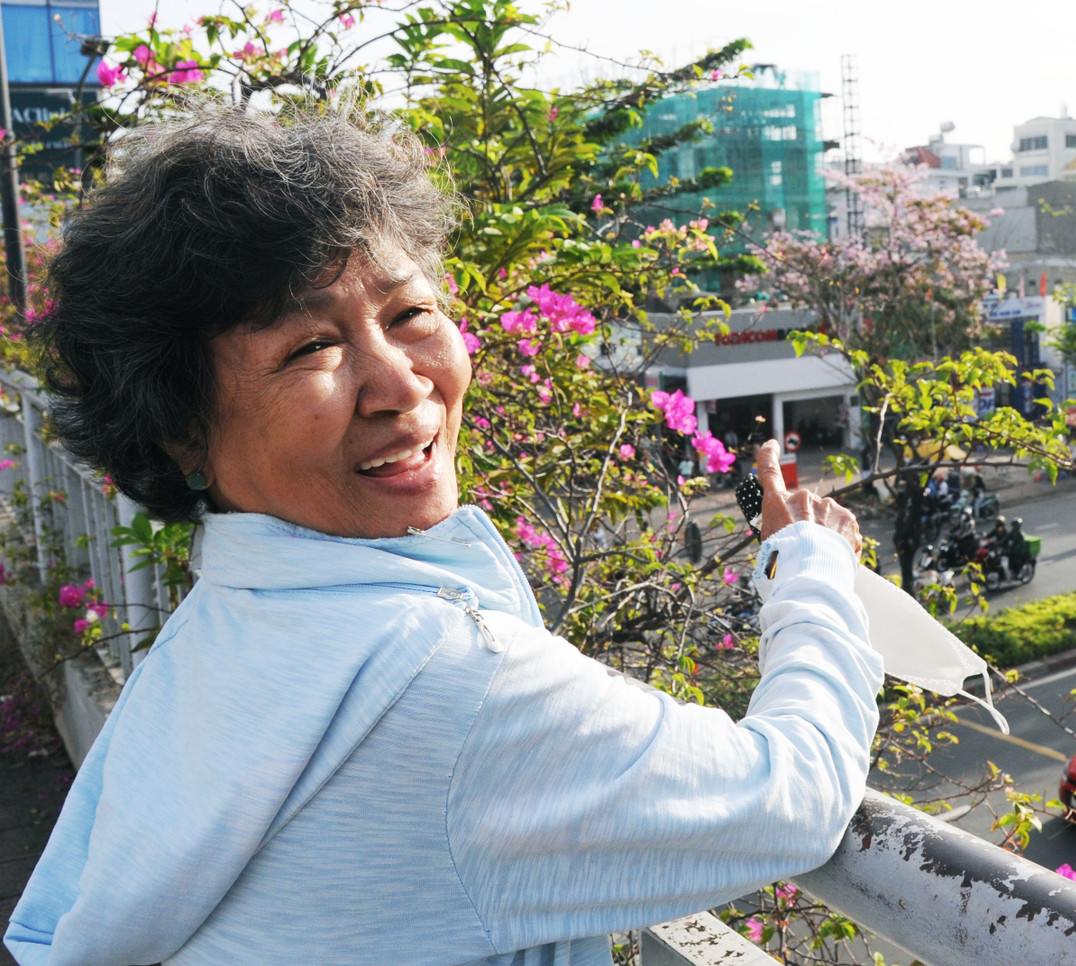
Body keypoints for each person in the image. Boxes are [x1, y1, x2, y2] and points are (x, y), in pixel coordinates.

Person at [4, 107, 884, 965]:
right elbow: (796, 795)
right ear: (183, 433)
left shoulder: (219, 633)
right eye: (310, 347)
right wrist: (807, 565)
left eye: (408, 314)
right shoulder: (439, 673)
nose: (401, 383)